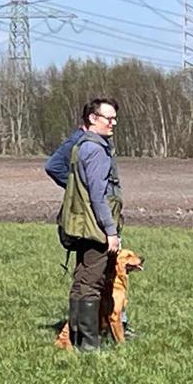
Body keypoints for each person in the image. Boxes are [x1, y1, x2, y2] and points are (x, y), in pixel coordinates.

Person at [54, 97, 124, 351]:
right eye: (109, 118)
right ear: (93, 118)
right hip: (95, 228)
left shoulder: (81, 145)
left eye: (115, 118)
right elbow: (98, 195)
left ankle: (74, 338)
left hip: (81, 225)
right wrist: (111, 231)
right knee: (92, 283)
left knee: (81, 280)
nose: (113, 123)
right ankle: (89, 345)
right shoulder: (96, 150)